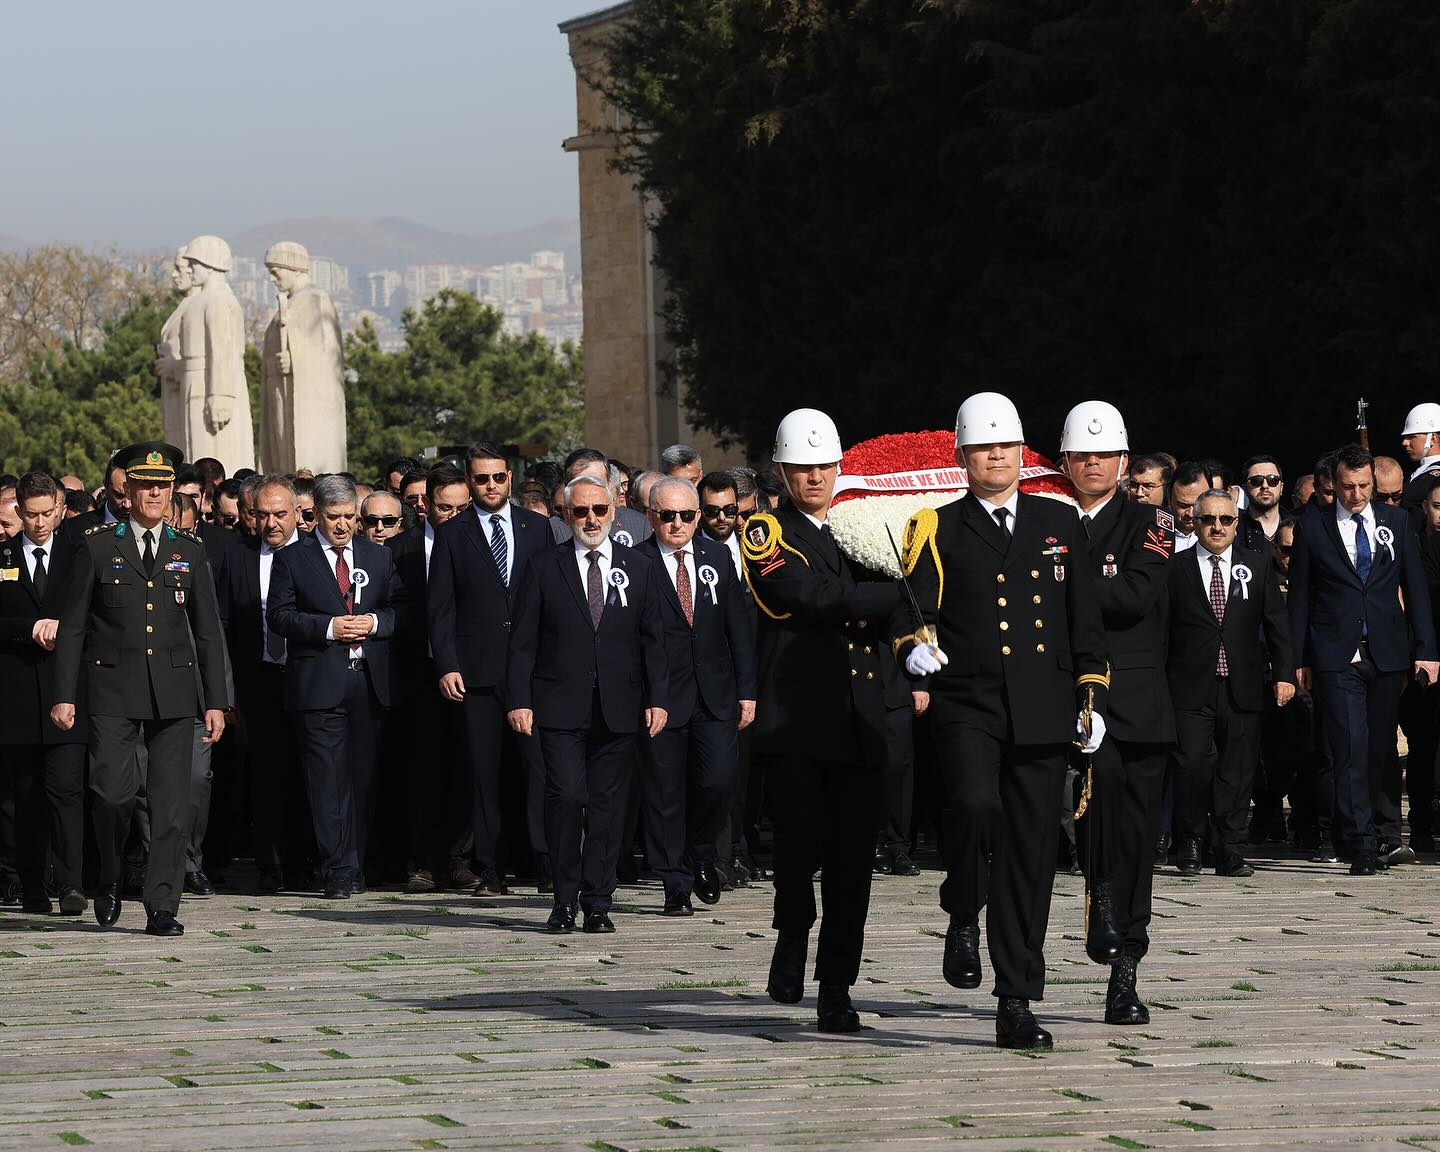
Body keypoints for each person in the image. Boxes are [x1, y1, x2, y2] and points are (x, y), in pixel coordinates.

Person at [895, 393, 1107, 1049]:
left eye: (1006, 447)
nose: (996, 457)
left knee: (1032, 853)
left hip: (1042, 707)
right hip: (968, 700)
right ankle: (963, 904)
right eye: (984, 447)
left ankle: (1016, 997)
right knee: (973, 805)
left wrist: (1091, 697)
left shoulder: (1059, 521)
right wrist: (915, 647)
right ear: (962, 455)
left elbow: (1083, 619)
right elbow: (913, 609)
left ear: (1022, 453)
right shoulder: (937, 525)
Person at [744, 407, 901, 1035]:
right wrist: (883, 597)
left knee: (852, 861)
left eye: (824, 466)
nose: (815, 477)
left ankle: (836, 985)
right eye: (803, 468)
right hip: (800, 717)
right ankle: (791, 932)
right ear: (783, 471)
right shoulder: (767, 532)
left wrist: (883, 599)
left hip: (861, 713)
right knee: (800, 843)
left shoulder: (866, 524)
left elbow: (904, 596)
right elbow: (802, 598)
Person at [50, 442, 229, 936]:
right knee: (112, 796)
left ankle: (162, 905)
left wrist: (216, 699)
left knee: (172, 805)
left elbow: (209, 630)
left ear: (173, 492)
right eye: (145, 485)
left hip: (174, 692)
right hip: (111, 688)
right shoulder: (98, 544)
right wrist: (64, 694)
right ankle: (107, 876)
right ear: (126, 490)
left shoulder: (188, 548)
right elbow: (73, 627)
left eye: (163, 485)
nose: (155, 493)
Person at [505, 474, 668, 934]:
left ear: (614, 512)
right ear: (566, 514)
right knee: (566, 796)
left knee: (606, 806)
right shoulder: (543, 566)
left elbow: (654, 640)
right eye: (581, 511)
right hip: (558, 704)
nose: (591, 519)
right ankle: (563, 898)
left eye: (599, 510)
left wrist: (658, 697)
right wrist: (520, 699)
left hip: (620, 704)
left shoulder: (640, 567)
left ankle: (598, 901)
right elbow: (522, 642)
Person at [1057, 400, 1175, 1025]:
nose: (1094, 464)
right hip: (1066, 696)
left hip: (1135, 704)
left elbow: (1133, 595)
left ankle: (1128, 966)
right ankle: (1097, 895)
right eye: (1083, 455)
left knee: (1135, 836)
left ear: (1124, 462)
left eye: (1105, 455)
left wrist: (1058, 585)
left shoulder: (1149, 522)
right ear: (1067, 461)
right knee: (1090, 820)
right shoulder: (1046, 519)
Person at [1288, 444, 1438, 874]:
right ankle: (1361, 843)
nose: (1356, 495)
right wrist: (1298, 660)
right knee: (1349, 745)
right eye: (1348, 487)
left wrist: (1427, 651)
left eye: (1364, 486)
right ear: (1333, 484)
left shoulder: (1396, 520)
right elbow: (1299, 597)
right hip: (1336, 653)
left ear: (1373, 482)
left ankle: (1381, 828)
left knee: (1379, 748)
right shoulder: (1313, 526)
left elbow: (1416, 589)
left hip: (1387, 650)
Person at [268, 474, 403, 899]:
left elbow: (400, 609)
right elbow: (279, 615)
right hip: (319, 685)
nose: (342, 525)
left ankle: (358, 862)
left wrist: (376, 624)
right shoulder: (293, 558)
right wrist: (329, 627)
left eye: (349, 517)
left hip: (368, 684)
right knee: (327, 781)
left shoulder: (377, 558)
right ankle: (338, 868)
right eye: (333, 517)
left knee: (363, 781)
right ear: (318, 516)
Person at [430, 443, 555, 894]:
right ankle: (491, 869)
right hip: (475, 673)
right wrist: (446, 664)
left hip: (531, 671)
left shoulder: (539, 528)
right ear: (470, 480)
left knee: (538, 770)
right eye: (481, 479)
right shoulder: (452, 534)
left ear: (510, 477)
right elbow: (440, 607)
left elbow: (552, 600)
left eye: (498, 477)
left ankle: (546, 863)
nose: (490, 486)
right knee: (484, 774)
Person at [637, 476, 755, 914]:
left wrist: (747, 690)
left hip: (716, 693)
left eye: (688, 515)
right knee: (666, 793)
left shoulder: (718, 556)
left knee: (719, 779)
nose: (678, 524)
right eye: (668, 516)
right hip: (661, 699)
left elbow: (737, 628)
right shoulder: (635, 562)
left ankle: (702, 852)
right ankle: (675, 883)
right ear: (652, 517)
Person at [1168, 488, 1295, 879]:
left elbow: (1277, 624)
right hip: (1190, 685)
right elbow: (1162, 629)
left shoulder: (1256, 566)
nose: (1217, 527)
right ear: (1195, 521)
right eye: (1208, 519)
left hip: (1242, 684)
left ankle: (1228, 847)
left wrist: (1286, 675)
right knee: (1192, 764)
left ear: (1236, 525)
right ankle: (1189, 841)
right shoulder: (1176, 568)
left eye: (1225, 520)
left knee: (1237, 771)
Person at [0, 473, 88, 916]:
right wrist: (26, 629)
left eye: (46, 513)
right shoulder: (2, 557)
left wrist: (62, 627)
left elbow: (95, 613)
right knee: (25, 794)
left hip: (67, 689)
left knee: (67, 790)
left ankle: (71, 883)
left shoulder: (79, 554)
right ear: (17, 511)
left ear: (59, 508)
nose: (38, 523)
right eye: (29, 514)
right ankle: (33, 886)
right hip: (16, 696)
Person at [387, 464, 474, 893]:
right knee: (421, 770)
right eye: (444, 508)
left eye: (461, 508)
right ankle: (421, 861)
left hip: (467, 674)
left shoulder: (479, 545)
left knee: (464, 767)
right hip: (416, 674)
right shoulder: (399, 550)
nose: (452, 516)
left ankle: (459, 859)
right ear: (425, 507)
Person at [549, 448, 652, 546]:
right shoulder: (551, 530)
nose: (590, 489)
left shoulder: (638, 524)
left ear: (609, 482)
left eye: (597, 482)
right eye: (582, 483)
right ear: (567, 485)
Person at [1238, 455, 1290, 551]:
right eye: (1256, 481)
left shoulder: (1298, 527)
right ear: (1245, 489)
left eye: (1273, 480)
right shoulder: (1234, 528)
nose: (1265, 486)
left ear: (1281, 488)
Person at [1167, 462, 1208, 553]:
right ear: (1169, 499)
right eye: (1182, 505)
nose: (1190, 514)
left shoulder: (1226, 533)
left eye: (1197, 505)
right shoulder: (1153, 534)